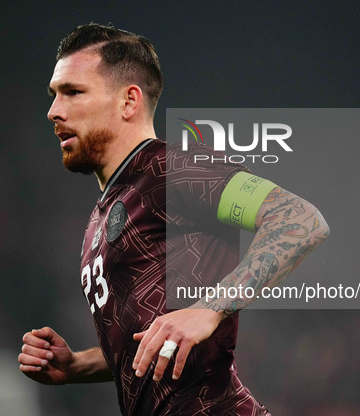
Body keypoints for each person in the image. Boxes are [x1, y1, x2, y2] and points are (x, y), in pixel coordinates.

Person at [18, 22, 329, 415]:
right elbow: (154, 340)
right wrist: (79, 365)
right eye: (53, 95)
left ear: (129, 101)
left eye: (73, 92)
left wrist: (210, 307)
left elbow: (299, 219)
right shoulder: (101, 217)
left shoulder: (175, 168)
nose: (53, 111)